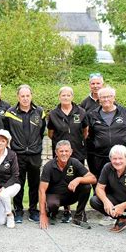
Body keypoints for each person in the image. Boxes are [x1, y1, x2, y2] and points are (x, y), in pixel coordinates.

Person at [4, 84, 46, 224]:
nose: (25, 98)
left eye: (28, 95)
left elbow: (41, 131)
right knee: (18, 183)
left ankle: (33, 210)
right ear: (18, 97)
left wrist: (35, 146)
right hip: (18, 154)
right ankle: (19, 210)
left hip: (34, 154)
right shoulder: (10, 112)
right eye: (22, 96)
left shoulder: (39, 112)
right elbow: (6, 132)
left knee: (34, 183)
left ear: (31, 96)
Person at [47, 86, 88, 223]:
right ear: (59, 97)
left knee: (78, 180)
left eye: (68, 95)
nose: (65, 97)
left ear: (72, 96)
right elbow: (50, 134)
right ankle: (62, 208)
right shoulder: (53, 114)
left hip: (77, 153)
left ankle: (77, 212)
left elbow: (85, 131)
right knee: (60, 181)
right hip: (61, 154)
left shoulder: (81, 112)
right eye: (63, 95)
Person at [38, 140, 96, 230]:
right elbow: (41, 190)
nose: (64, 154)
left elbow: (93, 179)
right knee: (52, 204)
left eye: (66, 151)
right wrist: (42, 214)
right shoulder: (48, 166)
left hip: (70, 196)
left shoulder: (75, 162)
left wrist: (79, 179)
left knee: (86, 186)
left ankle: (78, 216)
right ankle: (52, 212)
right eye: (61, 151)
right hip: (54, 197)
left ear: (71, 152)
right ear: (56, 152)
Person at [87, 86, 126, 185]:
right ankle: (99, 200)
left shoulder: (125, 113)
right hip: (100, 157)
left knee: (125, 184)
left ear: (114, 98)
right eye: (103, 97)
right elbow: (89, 135)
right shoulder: (92, 115)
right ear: (99, 99)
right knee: (101, 184)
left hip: (122, 156)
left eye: (109, 96)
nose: (106, 99)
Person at [0, 130, 20, 228]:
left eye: (3, 141)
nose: (0, 143)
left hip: (12, 185)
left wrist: (4, 187)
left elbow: (15, 175)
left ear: (7, 143)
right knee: (0, 222)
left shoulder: (12, 155)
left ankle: (10, 215)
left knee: (4, 194)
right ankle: (7, 207)